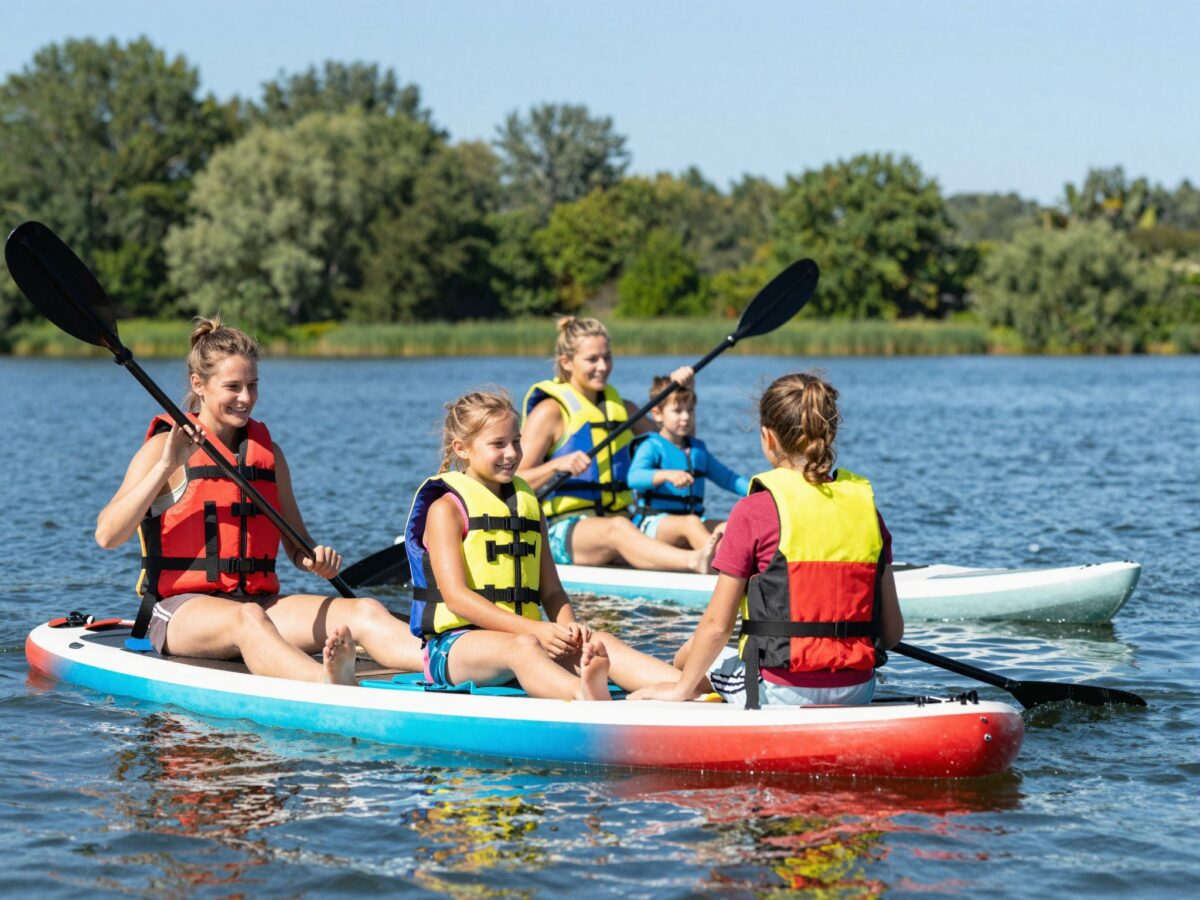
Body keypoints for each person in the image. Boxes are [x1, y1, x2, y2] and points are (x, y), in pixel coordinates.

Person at [95, 316, 423, 685]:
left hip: (260, 605)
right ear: (198, 385)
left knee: (364, 610)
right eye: (233, 387)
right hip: (181, 612)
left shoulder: (269, 455)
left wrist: (316, 558)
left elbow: (299, 547)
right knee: (247, 619)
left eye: (253, 385)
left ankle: (448, 665)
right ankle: (327, 683)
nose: (246, 398)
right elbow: (107, 535)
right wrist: (168, 465)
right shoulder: (162, 450)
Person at [630, 372, 904, 708]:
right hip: (858, 688)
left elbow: (718, 627)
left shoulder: (754, 510)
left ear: (767, 437)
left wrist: (680, 688)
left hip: (777, 691)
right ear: (829, 433)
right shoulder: (867, 510)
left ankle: (684, 693)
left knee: (689, 654)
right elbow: (892, 635)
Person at [404, 390, 688, 700]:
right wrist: (536, 630)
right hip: (455, 648)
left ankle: (688, 684)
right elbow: (457, 599)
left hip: (523, 638)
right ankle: (585, 695)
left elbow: (551, 591)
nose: (511, 453)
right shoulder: (445, 509)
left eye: (516, 441)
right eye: (498, 444)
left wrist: (570, 632)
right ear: (462, 448)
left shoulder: (527, 504)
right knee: (523, 647)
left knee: (598, 641)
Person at [518, 317, 720, 573]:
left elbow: (679, 446)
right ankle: (696, 561)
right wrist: (557, 465)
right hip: (563, 530)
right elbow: (514, 481)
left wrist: (685, 392)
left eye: (607, 357)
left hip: (624, 519)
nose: (602, 366)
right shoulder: (550, 412)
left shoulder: (625, 410)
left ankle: (736, 570)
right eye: (592, 359)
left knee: (704, 525)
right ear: (566, 363)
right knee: (618, 529)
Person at [627, 374, 751, 549]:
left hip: (692, 521)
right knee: (691, 524)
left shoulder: (697, 450)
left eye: (690, 410)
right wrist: (666, 475)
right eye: (677, 411)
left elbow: (729, 479)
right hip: (652, 524)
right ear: (657, 414)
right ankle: (714, 565)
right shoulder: (651, 446)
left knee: (729, 527)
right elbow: (634, 478)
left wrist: (758, 489)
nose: (685, 417)